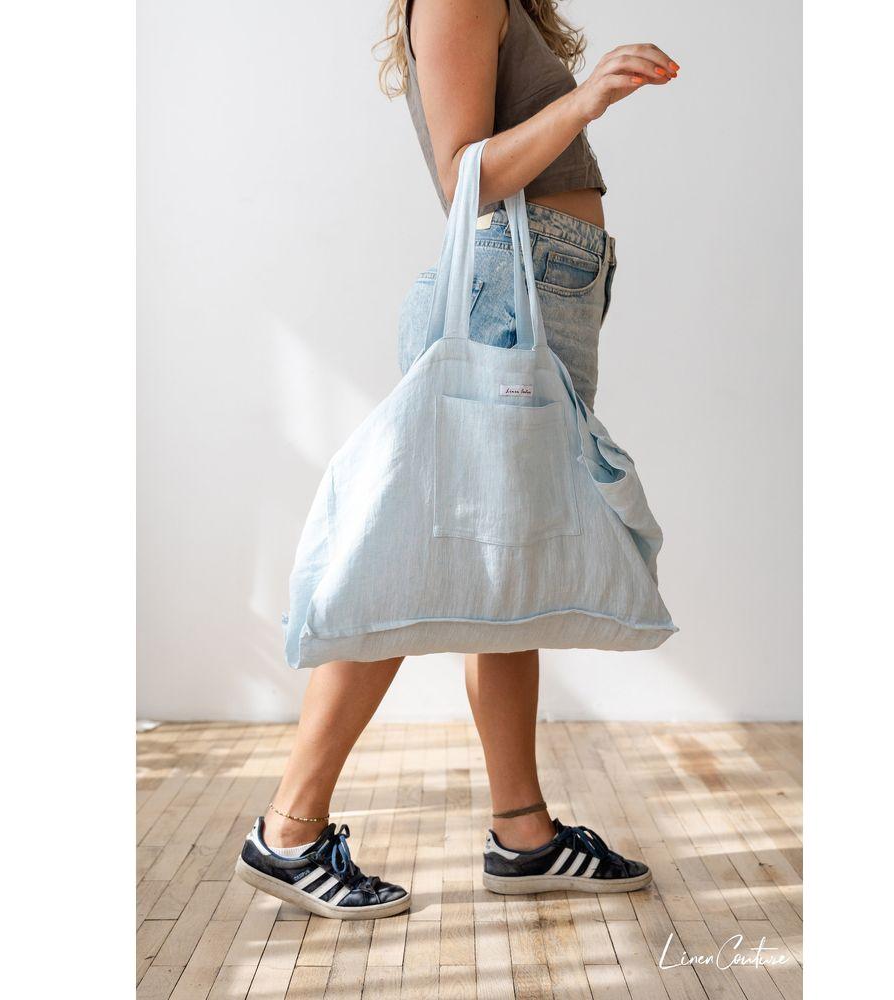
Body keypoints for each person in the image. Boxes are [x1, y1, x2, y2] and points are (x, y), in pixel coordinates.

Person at [234, 0, 679, 919]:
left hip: (546, 286)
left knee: (500, 567)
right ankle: (287, 831)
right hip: (511, 287)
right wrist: (587, 99)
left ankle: (524, 833)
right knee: (409, 561)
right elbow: (462, 177)